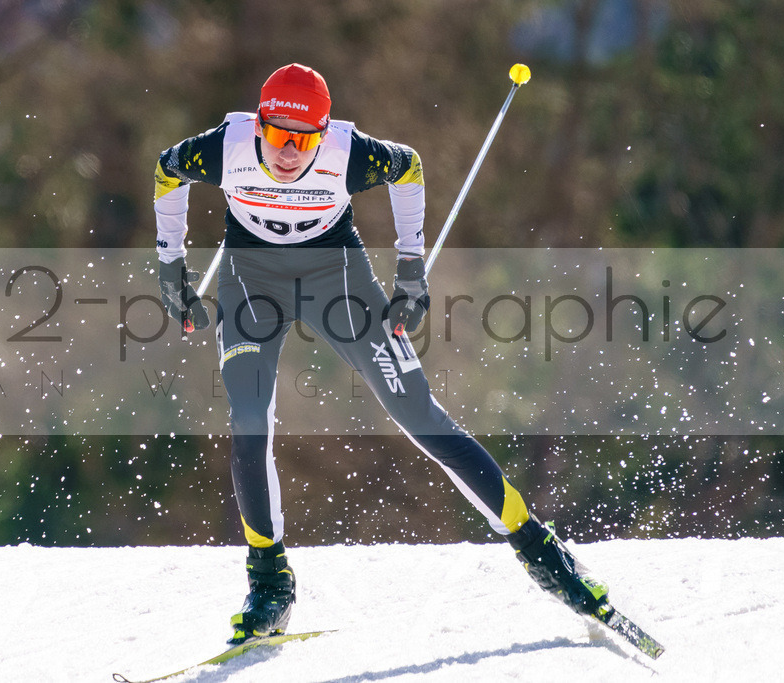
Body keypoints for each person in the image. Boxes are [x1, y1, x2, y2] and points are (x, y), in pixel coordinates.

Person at [154, 63, 608, 643]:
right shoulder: (225, 147)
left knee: (417, 413)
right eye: (277, 136)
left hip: (335, 276)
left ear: (323, 134)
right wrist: (170, 264)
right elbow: (169, 172)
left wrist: (411, 269)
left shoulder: (351, 154)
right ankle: (269, 579)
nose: (290, 152)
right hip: (251, 278)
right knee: (247, 419)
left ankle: (538, 547)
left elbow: (410, 168)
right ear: (260, 125)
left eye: (304, 139)